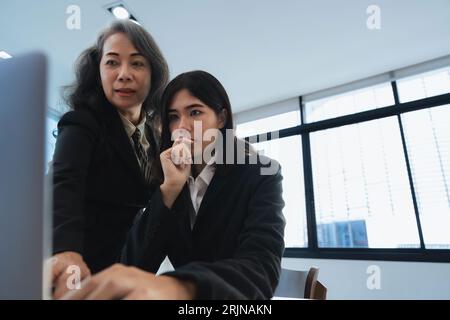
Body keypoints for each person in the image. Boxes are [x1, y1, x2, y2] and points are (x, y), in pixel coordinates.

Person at [62, 71, 285, 300]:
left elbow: (261, 267)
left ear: (221, 118)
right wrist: (168, 190)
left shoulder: (260, 174)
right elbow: (133, 265)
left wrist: (180, 287)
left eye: (195, 112)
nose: (182, 127)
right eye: (173, 117)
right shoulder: (165, 181)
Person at [50, 20, 169, 298]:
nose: (124, 74)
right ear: (98, 71)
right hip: (77, 270)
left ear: (153, 73)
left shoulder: (155, 136)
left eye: (137, 63)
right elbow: (65, 183)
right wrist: (66, 252)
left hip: (125, 270)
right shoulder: (82, 123)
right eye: (112, 63)